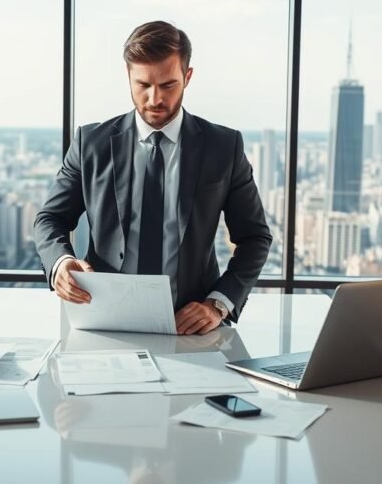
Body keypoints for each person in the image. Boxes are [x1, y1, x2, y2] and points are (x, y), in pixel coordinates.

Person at [33, 20, 271, 335]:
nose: (155, 99)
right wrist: (61, 262)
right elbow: (49, 218)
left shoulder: (224, 147)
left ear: (187, 77)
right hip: (101, 321)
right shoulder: (90, 143)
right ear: (128, 77)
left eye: (168, 85)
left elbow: (255, 237)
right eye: (143, 85)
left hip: (189, 325)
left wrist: (218, 303)